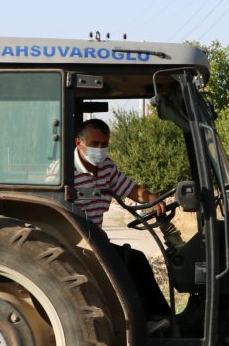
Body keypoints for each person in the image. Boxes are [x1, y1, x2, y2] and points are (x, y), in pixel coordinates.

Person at [70, 118, 172, 333]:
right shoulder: (64, 172)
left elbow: (131, 189)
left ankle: (163, 320)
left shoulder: (106, 167)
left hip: (96, 239)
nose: (100, 149)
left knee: (136, 259)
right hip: (76, 242)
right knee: (127, 264)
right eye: (95, 144)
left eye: (104, 144)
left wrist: (154, 199)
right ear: (79, 143)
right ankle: (145, 323)